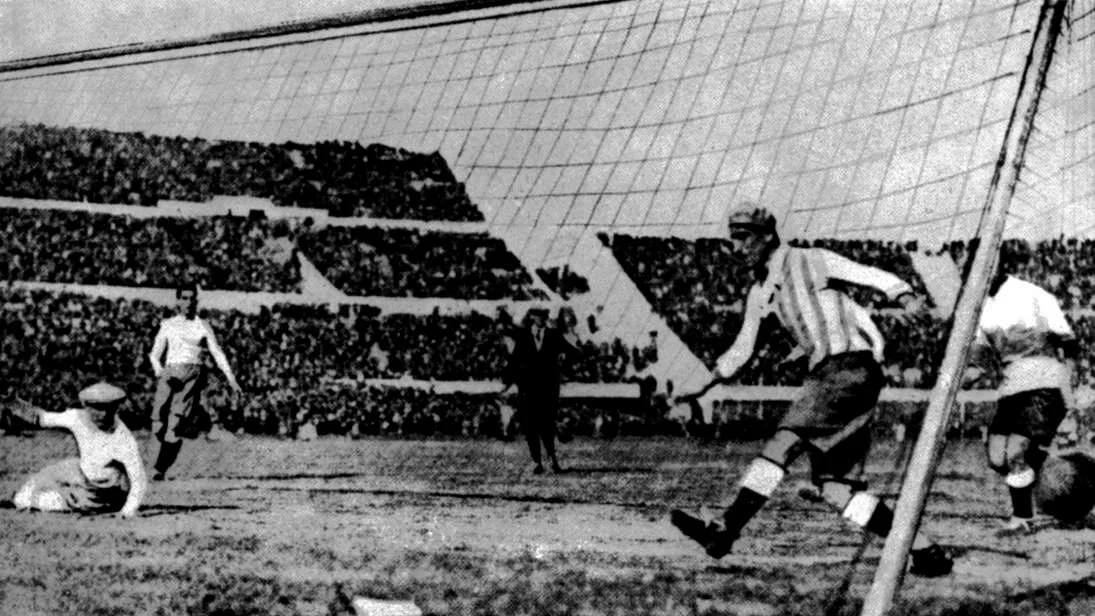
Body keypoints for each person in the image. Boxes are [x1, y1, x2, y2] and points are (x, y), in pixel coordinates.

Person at [669, 206, 952, 577]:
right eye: (733, 238)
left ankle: (725, 529)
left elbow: (868, 275)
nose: (737, 246)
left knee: (783, 443)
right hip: (842, 375)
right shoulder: (760, 292)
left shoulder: (809, 260)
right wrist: (700, 386)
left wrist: (904, 295)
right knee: (836, 489)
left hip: (846, 366)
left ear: (767, 235)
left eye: (744, 237)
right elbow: (742, 350)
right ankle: (925, 551)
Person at [966, 243, 1078, 534]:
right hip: (1010, 385)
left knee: (1016, 452)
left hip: (1044, 380)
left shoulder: (1031, 293)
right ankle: (1075, 481)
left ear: (998, 262)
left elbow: (1068, 341)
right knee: (997, 458)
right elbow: (978, 362)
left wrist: (1070, 385)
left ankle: (1022, 519)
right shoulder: (977, 305)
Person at [8, 383, 146, 518]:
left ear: (116, 408)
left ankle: (48, 499)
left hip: (102, 493)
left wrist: (128, 510)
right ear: (86, 406)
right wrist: (12, 402)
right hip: (81, 472)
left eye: (108, 408)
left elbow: (138, 479)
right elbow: (40, 418)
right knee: (50, 475)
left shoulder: (123, 438)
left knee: (41, 501)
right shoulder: (77, 418)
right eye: (97, 408)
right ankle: (25, 495)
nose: (103, 414)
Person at [148, 285, 242, 480]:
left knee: (174, 427)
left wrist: (231, 379)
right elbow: (155, 355)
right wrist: (161, 372)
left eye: (192, 298)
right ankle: (164, 460)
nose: (188, 302)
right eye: (184, 298)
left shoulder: (202, 325)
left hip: (192, 375)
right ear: (178, 301)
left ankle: (160, 469)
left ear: (196, 301)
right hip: (169, 374)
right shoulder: (168, 324)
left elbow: (217, 352)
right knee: (158, 426)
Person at [500, 307, 577, 474]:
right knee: (530, 427)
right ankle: (537, 462)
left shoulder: (554, 335)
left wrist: (564, 363)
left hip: (548, 388)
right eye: (538, 315)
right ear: (533, 317)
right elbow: (515, 360)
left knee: (547, 425)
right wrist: (506, 383)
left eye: (544, 316)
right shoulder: (523, 335)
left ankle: (552, 459)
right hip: (527, 388)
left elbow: (573, 352)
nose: (541, 318)